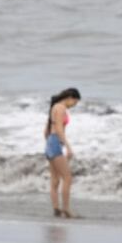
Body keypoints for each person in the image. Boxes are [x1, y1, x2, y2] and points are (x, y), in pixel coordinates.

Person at [45, 87, 80, 218]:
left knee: (55, 179)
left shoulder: (54, 107)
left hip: (50, 143)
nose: (74, 106)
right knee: (67, 178)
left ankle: (56, 209)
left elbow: (46, 131)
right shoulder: (60, 108)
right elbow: (59, 129)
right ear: (70, 98)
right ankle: (66, 209)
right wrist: (68, 147)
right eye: (75, 102)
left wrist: (50, 144)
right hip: (55, 143)